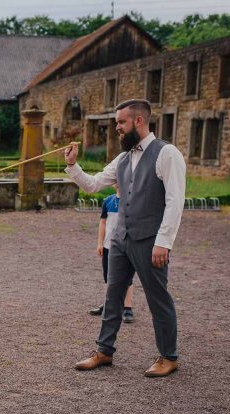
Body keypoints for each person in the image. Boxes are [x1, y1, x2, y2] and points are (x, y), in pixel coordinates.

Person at [65, 99, 186, 377]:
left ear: (139, 121)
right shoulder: (123, 157)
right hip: (120, 239)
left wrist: (163, 242)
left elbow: (175, 201)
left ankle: (169, 356)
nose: (117, 127)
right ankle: (104, 350)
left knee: (158, 298)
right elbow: (94, 184)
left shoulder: (167, 154)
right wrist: (73, 166)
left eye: (121, 122)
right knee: (113, 295)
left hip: (150, 241)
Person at [91, 182, 135, 323]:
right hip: (108, 245)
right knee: (108, 276)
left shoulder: (131, 201)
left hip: (125, 246)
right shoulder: (108, 201)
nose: (117, 181)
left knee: (127, 278)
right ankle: (108, 305)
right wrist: (100, 242)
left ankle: (127, 308)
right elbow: (103, 223)